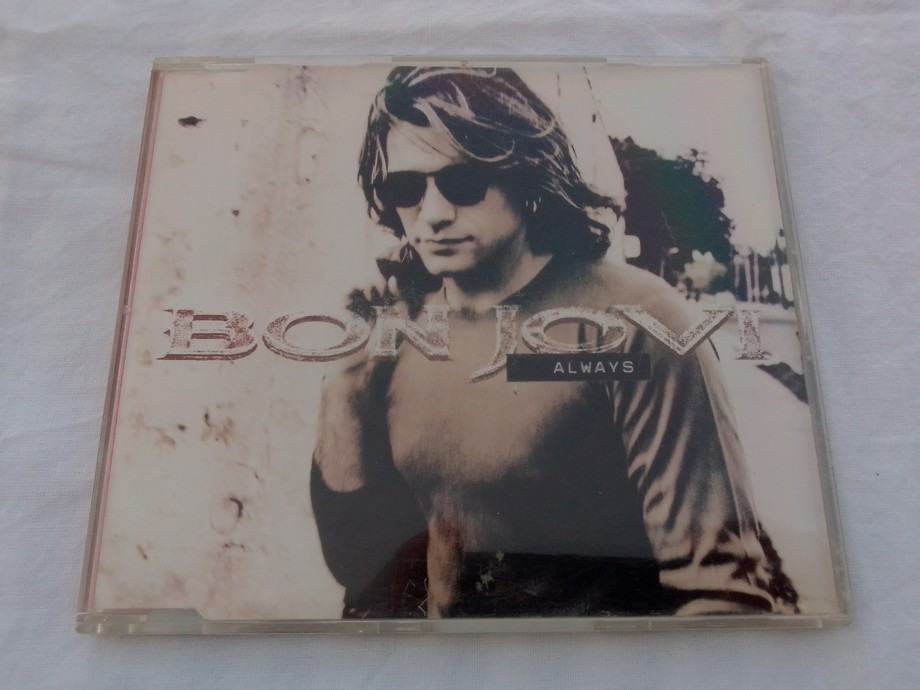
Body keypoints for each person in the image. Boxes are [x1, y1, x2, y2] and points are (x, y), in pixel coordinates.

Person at [310, 66, 799, 618]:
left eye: (463, 183)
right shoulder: (400, 332)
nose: (434, 214)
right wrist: (343, 390)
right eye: (406, 190)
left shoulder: (635, 320)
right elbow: (359, 569)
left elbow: (721, 592)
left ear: (525, 177)